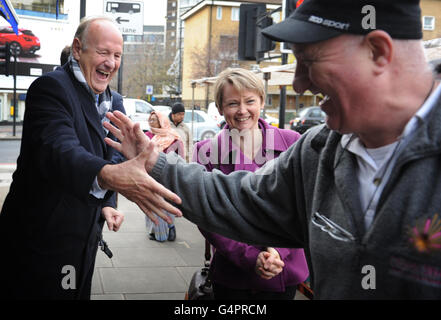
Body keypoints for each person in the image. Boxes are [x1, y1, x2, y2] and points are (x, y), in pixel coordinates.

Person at [105, 0, 441, 299]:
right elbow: (238, 201)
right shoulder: (317, 152)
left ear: (378, 52)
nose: (298, 83)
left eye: (309, 61)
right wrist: (156, 162)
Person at [0, 16, 182, 300]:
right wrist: (108, 177)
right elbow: (59, 150)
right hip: (41, 238)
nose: (111, 62)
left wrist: (108, 202)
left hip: (84, 235)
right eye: (103, 52)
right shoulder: (51, 88)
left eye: (117, 55)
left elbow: (112, 154)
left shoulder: (113, 101)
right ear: (77, 49)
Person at [193, 68, 309, 300]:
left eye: (250, 101)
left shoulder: (292, 142)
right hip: (233, 275)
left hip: (283, 268)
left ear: (262, 102)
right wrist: (250, 257)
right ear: (220, 108)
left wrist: (277, 252)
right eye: (233, 103)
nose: (243, 110)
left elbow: (303, 206)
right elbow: (206, 216)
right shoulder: (205, 152)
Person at [145, 111, 184, 242]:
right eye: (150, 120)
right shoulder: (148, 135)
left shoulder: (173, 137)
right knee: (152, 203)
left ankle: (168, 229)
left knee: (163, 203)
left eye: (154, 120)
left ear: (161, 122)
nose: (151, 122)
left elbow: (180, 157)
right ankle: (158, 232)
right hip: (150, 175)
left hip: (168, 175)